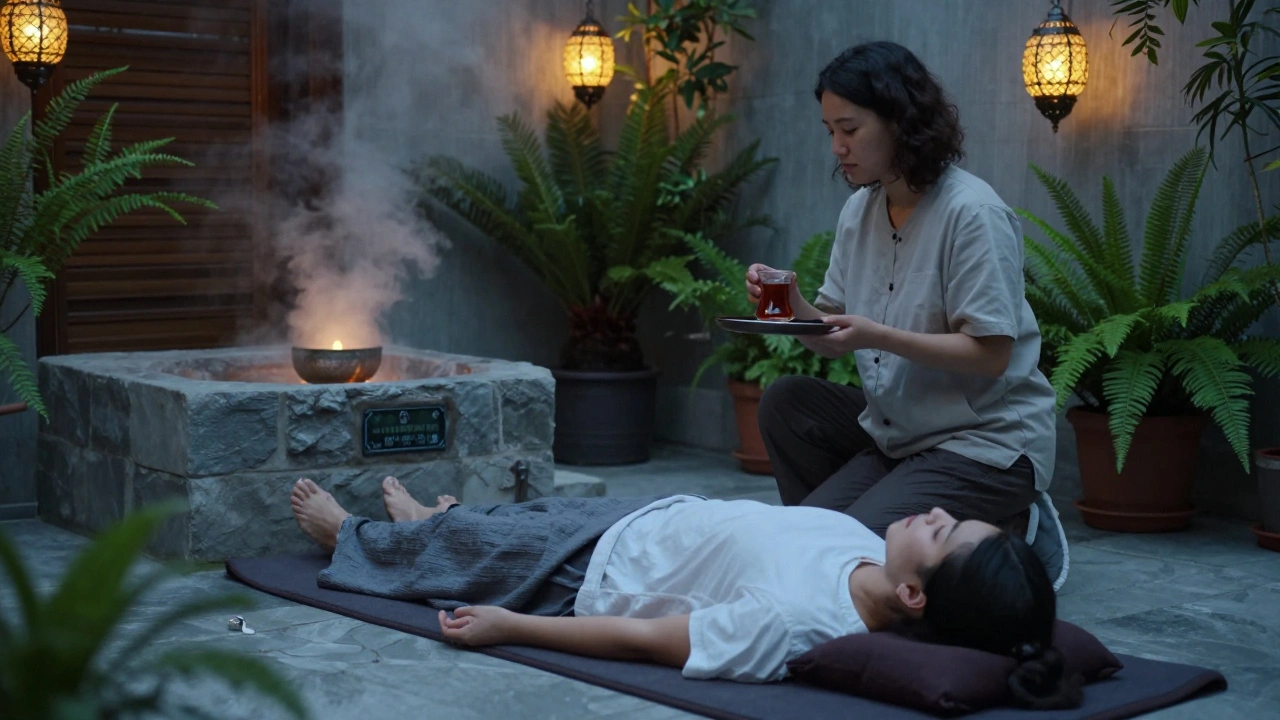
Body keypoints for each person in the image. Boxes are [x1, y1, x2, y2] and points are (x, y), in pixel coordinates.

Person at [289, 476, 1082, 708]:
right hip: (646, 522)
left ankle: (351, 535)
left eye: (943, 533)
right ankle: (441, 524)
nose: (937, 513)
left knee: (474, 548)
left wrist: (510, 629)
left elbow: (644, 645)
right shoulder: (874, 552)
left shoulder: (795, 624)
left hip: (593, 576)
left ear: (916, 598)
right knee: (484, 528)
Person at [745, 41, 1058, 538]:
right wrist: (786, 304)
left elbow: (991, 354)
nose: (836, 147)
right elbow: (831, 336)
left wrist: (878, 335)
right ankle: (864, 539)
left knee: (846, 546)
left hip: (985, 444)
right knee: (789, 405)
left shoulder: (973, 214)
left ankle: (1003, 525)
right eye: (830, 131)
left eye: (849, 130)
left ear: (899, 121)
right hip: (900, 439)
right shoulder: (859, 212)